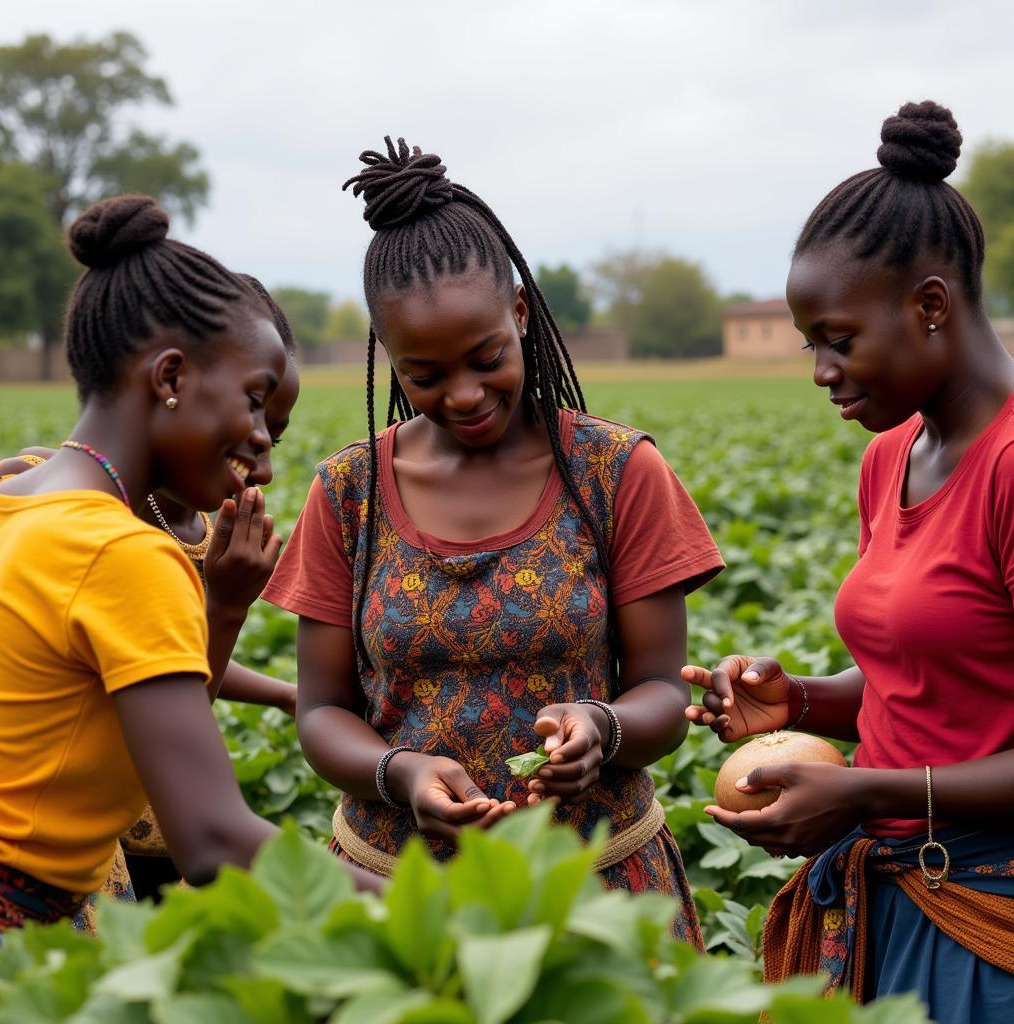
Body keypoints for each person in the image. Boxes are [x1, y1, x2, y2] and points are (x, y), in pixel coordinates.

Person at [263, 138, 724, 944]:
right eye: (427, 375)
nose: (466, 395)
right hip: (392, 897)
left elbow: (662, 690)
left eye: (485, 359)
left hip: (596, 890)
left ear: (519, 314)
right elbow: (322, 711)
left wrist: (603, 729)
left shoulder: (617, 471)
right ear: (389, 359)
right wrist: (398, 772)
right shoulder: (349, 492)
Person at [683, 101, 1014, 1021]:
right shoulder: (890, 459)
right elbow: (921, 684)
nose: (821, 369)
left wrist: (861, 788)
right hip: (898, 901)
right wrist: (797, 702)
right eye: (809, 343)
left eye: (839, 338)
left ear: (932, 307)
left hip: (992, 919)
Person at [0, 194, 375, 954]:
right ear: (169, 376)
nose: (262, 440)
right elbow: (211, 839)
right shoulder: (125, 552)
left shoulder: (9, 500)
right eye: (256, 401)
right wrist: (462, 907)